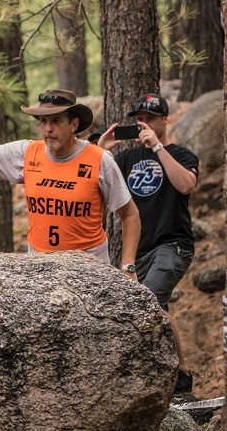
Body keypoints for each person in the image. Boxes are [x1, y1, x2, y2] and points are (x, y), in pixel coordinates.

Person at [0, 89, 140, 270]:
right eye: (43, 122)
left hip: (89, 269)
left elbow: (130, 215)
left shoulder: (100, 160)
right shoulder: (27, 153)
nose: (48, 129)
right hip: (40, 270)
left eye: (56, 121)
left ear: (73, 124)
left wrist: (128, 266)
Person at [98, 92, 199, 394]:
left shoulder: (182, 155)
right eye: (140, 120)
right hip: (137, 250)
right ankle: (167, 378)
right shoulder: (126, 158)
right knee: (151, 307)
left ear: (165, 120)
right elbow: (95, 182)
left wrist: (157, 146)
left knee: (150, 299)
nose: (144, 124)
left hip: (173, 244)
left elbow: (185, 184)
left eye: (151, 119)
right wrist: (99, 151)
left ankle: (181, 375)